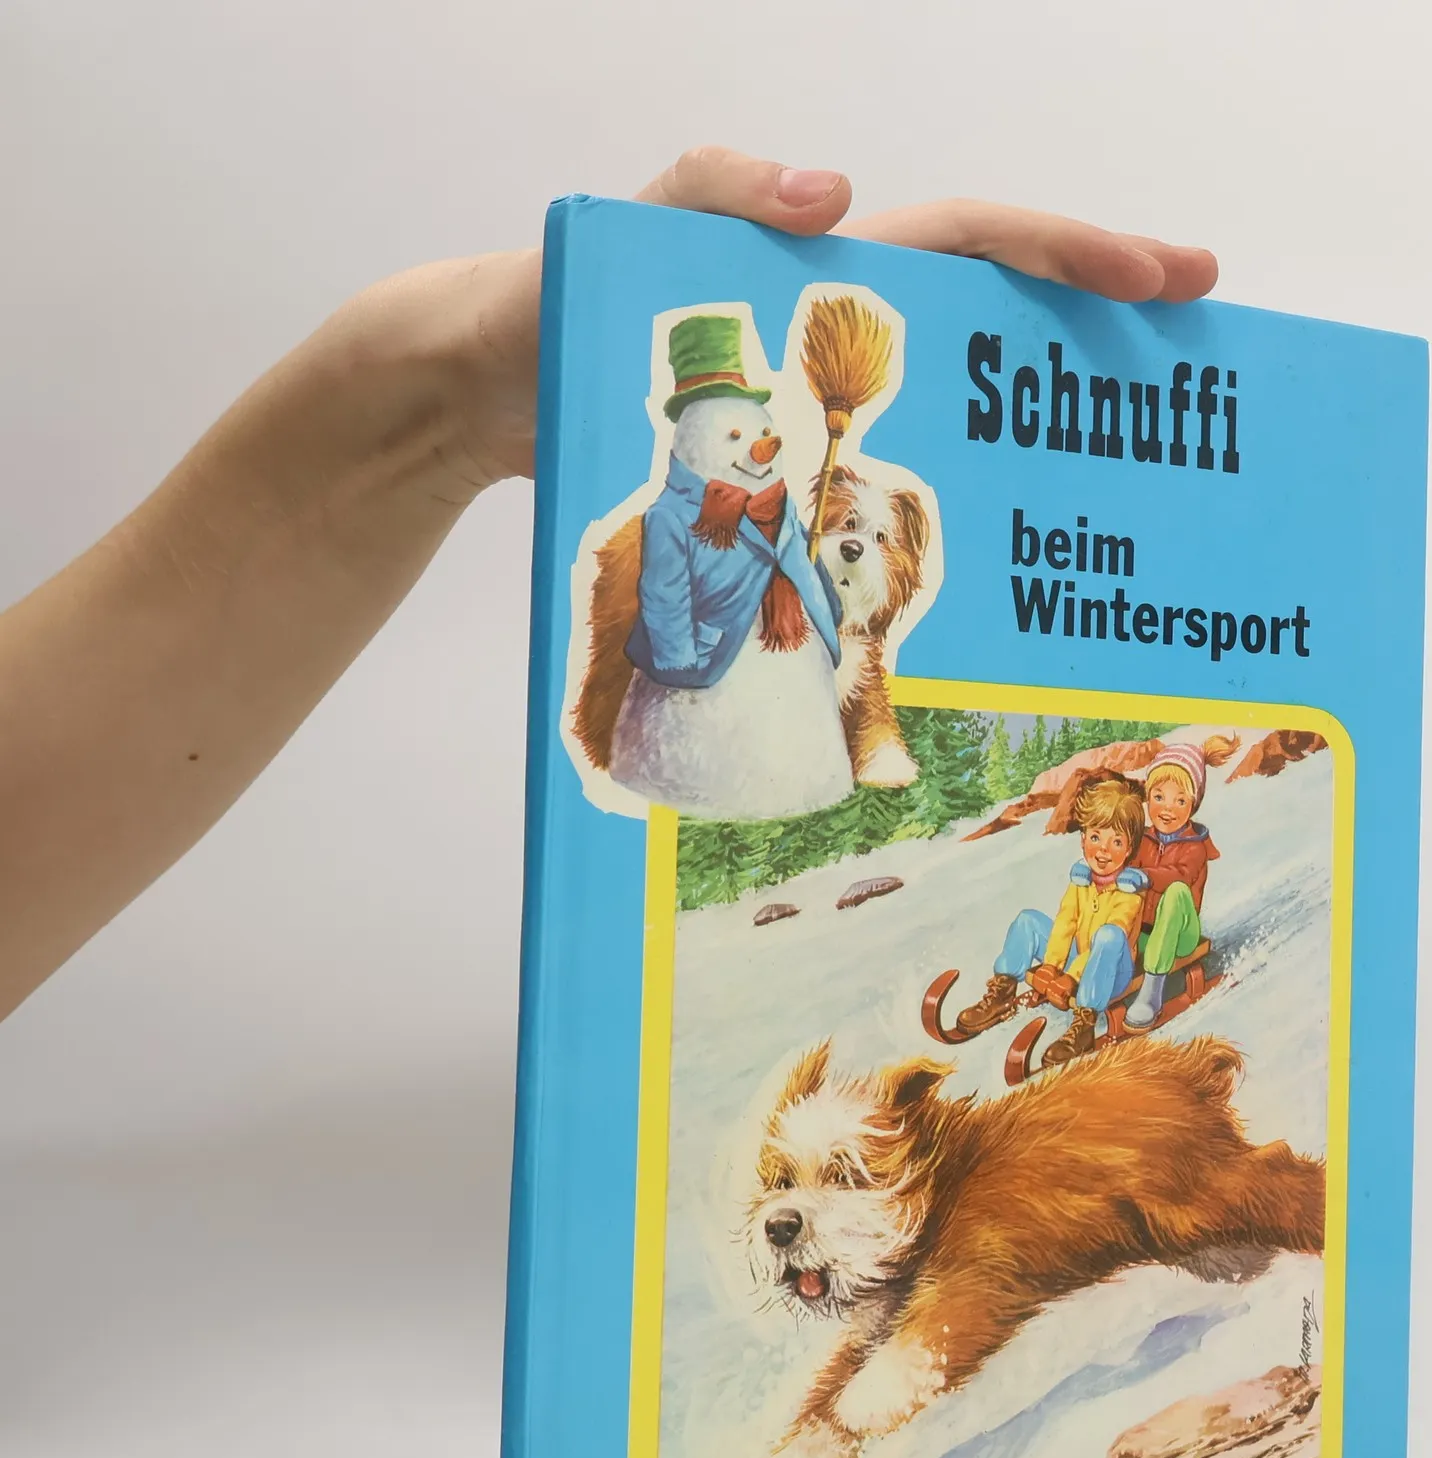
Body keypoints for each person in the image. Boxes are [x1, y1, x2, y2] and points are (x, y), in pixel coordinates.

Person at [0, 148, 1218, 1022]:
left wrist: (448, 398)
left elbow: (808, 581)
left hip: (790, 714)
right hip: (698, 706)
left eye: (761, 427)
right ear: (694, 435)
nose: (757, 444)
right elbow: (673, 620)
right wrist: (698, 648)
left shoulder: (770, 505)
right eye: (736, 429)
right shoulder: (681, 525)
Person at [956, 776, 1148, 1068]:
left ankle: (1084, 1023)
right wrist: (1051, 966)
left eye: (1116, 841)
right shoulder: (1081, 881)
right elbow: (1065, 923)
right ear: (1082, 837)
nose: (1103, 850)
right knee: (1028, 921)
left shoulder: (1129, 893)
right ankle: (1002, 993)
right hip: (1078, 957)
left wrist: (1071, 977)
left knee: (1108, 935)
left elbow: (1110, 940)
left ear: (1130, 847)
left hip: (1111, 970)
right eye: (1095, 837)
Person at [1124, 742, 1222, 1028]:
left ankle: (1152, 991)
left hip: (1181, 936)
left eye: (1179, 801)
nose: (1167, 808)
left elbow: (1180, 874)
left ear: (1193, 805)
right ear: (1147, 797)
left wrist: (1146, 877)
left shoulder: (1195, 847)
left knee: (1176, 891)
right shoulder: (1141, 839)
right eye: (1159, 796)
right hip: (1143, 934)